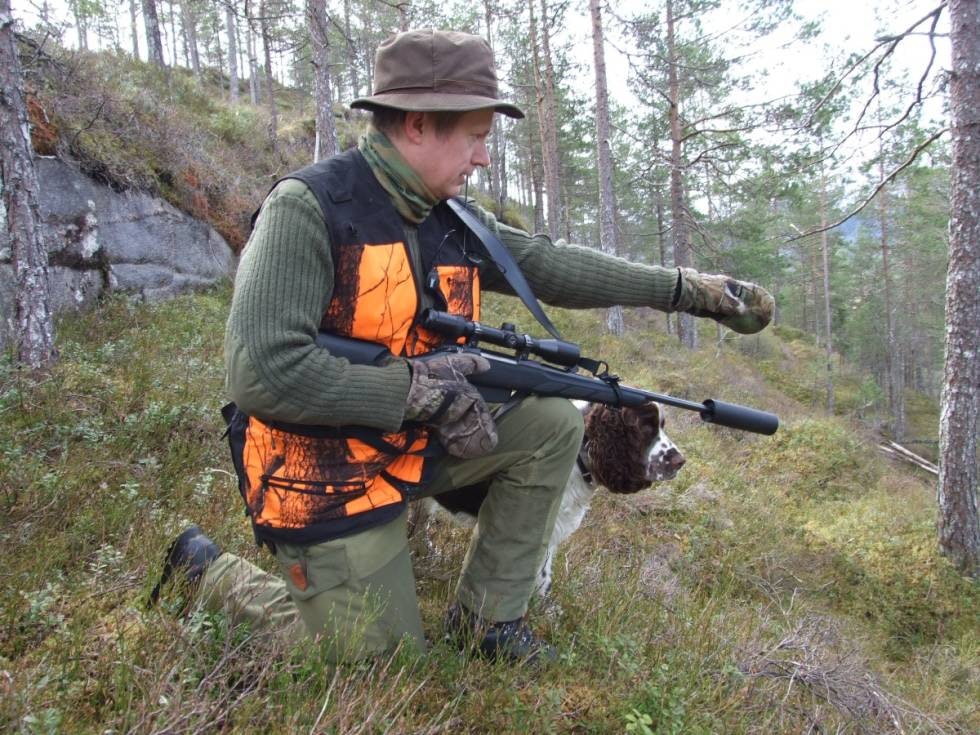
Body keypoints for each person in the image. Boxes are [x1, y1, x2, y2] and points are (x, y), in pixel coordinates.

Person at [152, 28, 774, 665]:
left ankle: (489, 623)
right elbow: (262, 372)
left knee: (552, 422)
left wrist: (689, 291)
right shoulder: (309, 209)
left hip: (414, 437)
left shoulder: (447, 214)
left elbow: (550, 266)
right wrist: (416, 390)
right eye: (475, 136)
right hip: (320, 465)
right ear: (418, 123)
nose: (482, 156)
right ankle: (205, 572)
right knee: (377, 667)